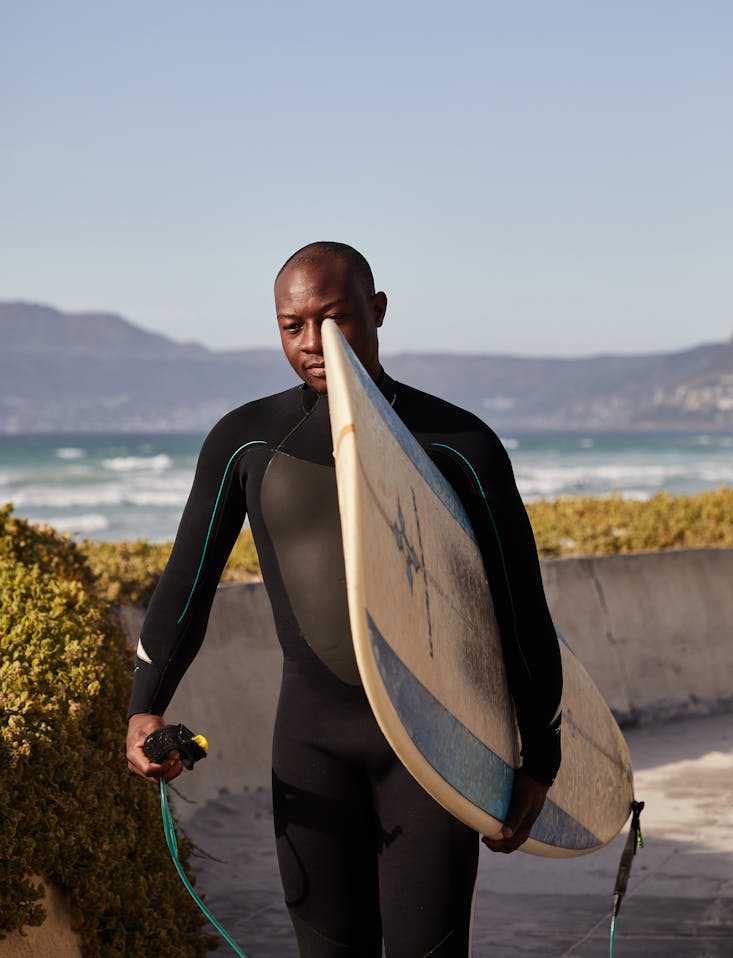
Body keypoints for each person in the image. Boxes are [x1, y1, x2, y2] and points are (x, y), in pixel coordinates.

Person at [126, 242, 563, 957]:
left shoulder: (458, 444)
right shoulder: (246, 443)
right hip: (311, 741)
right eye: (291, 326)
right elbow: (187, 582)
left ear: (378, 312)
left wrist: (538, 759)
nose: (311, 343)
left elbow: (517, 610)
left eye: (332, 320)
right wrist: (147, 702)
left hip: (436, 749)